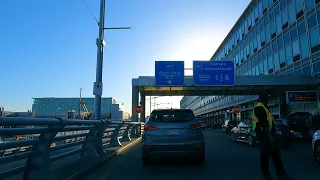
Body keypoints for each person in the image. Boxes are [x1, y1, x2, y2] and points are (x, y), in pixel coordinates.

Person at [252, 93, 293, 180]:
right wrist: (270, 136)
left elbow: (267, 122)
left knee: (273, 155)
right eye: (267, 98)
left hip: (266, 135)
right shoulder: (259, 108)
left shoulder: (263, 107)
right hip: (264, 136)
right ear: (264, 99)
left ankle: (278, 174)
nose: (269, 100)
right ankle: (271, 174)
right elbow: (264, 123)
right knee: (267, 156)